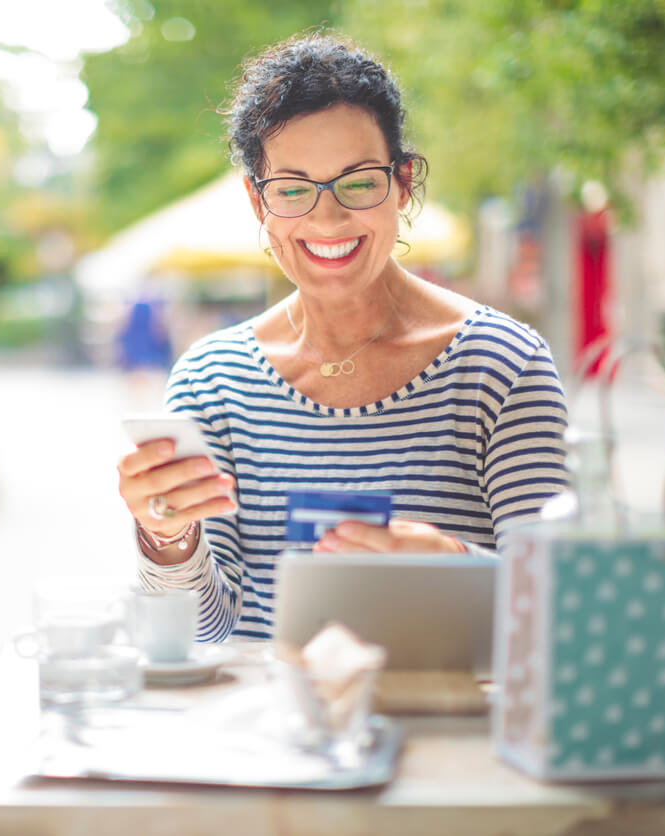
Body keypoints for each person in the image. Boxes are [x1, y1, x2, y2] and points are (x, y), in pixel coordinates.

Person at [115, 32, 568, 641]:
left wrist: (457, 566)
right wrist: (167, 537)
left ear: (403, 182)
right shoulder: (211, 380)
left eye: (357, 183)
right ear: (258, 203)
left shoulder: (501, 366)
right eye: (293, 189)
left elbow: (563, 612)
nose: (326, 219)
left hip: (441, 728)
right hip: (266, 730)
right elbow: (201, 632)